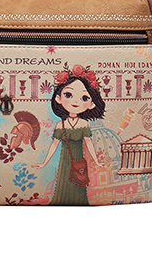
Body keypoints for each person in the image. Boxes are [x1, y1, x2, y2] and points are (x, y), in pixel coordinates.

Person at [33, 64, 105, 205]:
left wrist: (96, 161)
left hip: (79, 162)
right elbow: (54, 145)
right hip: (65, 162)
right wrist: (44, 163)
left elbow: (89, 143)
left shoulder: (84, 124)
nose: (75, 101)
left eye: (84, 98)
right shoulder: (60, 125)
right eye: (68, 95)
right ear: (59, 99)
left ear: (91, 104)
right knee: (64, 184)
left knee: (79, 183)